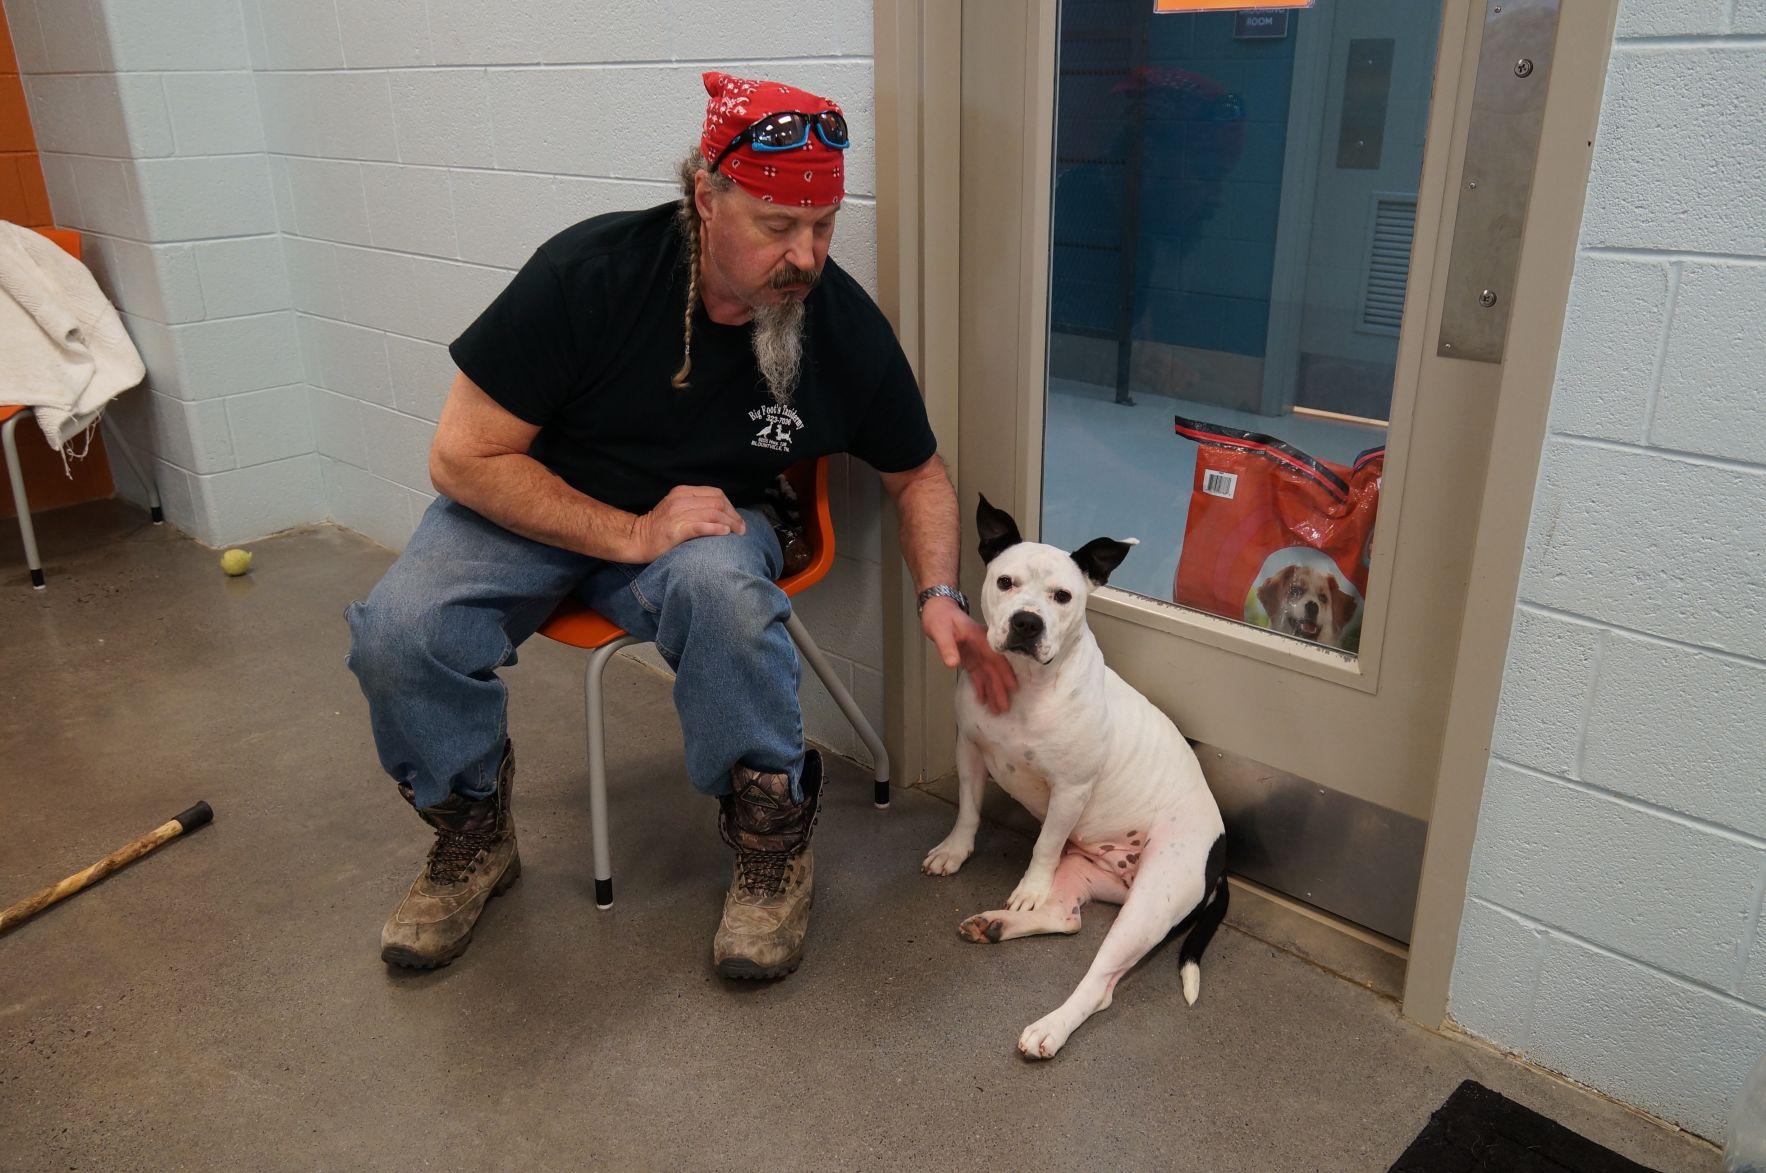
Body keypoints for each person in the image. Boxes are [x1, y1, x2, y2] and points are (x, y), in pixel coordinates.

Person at [344, 72, 1016, 978]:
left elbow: (918, 473)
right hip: (542, 501)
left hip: (702, 517)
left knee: (726, 594)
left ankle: (771, 841)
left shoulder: (837, 321)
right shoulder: (589, 277)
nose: (807, 256)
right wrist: (627, 534)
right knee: (399, 630)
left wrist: (940, 593)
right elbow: (464, 456)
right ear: (705, 197)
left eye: (821, 226)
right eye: (778, 227)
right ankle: (472, 826)